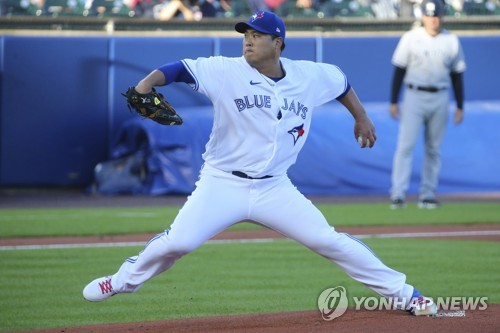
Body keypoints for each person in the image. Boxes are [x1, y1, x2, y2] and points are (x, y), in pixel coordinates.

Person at [83, 11, 437, 316]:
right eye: (246, 35)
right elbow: (176, 70)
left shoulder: (308, 76)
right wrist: (144, 86)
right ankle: (119, 281)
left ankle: (408, 296)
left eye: (257, 36)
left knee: (329, 241)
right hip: (222, 183)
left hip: (275, 187)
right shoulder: (225, 70)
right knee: (179, 243)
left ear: (278, 43)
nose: (248, 41)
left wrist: (360, 117)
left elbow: (341, 81)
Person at [389, 0, 466, 210]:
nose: (433, 19)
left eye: (437, 15)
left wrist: (460, 105)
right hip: (414, 94)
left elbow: (457, 75)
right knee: (405, 146)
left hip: (441, 96)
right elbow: (399, 70)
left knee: (433, 149)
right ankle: (398, 194)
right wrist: (394, 101)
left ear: (442, 16)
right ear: (422, 16)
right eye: (430, 15)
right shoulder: (411, 38)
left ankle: (428, 194)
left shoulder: (451, 40)